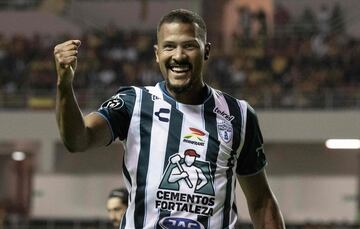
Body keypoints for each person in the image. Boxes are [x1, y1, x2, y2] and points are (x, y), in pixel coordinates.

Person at [54, 9, 285, 229]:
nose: (178, 56)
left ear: (206, 51)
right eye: (169, 47)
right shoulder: (133, 103)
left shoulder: (239, 115)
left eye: (189, 46)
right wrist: (64, 86)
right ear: (157, 54)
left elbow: (261, 202)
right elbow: (77, 139)